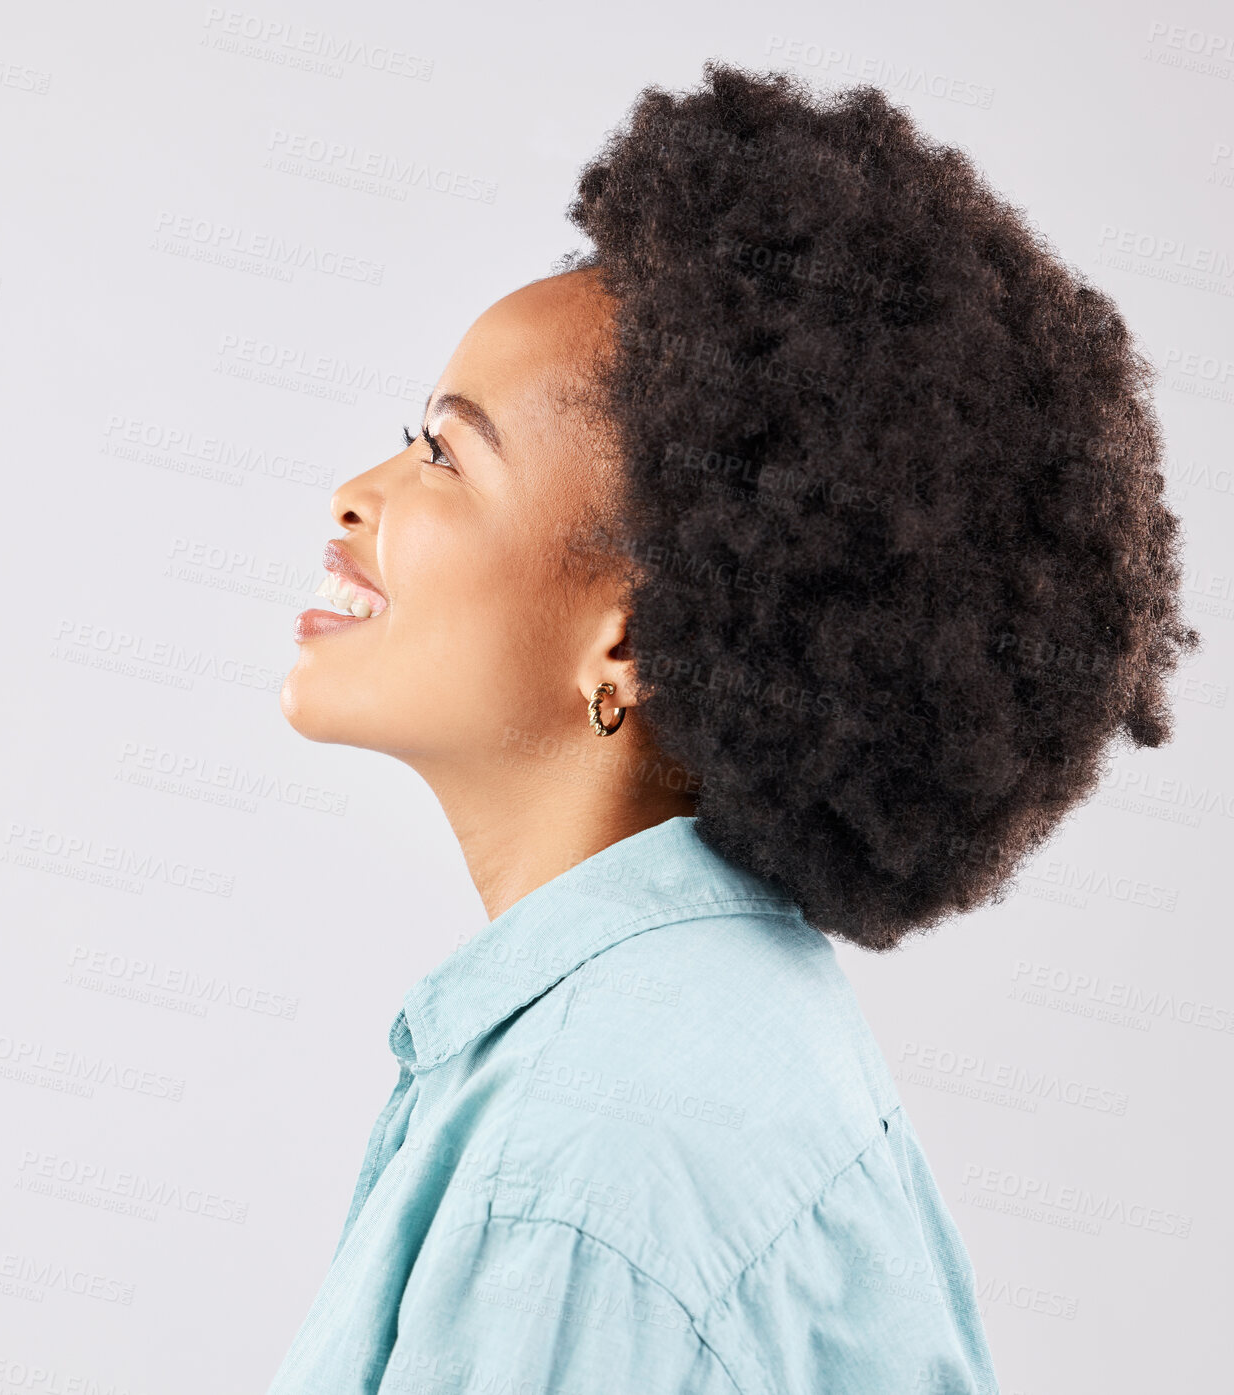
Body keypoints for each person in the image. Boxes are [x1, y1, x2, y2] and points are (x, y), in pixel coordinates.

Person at [268, 60, 1197, 1395]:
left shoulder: (584, 1165)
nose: (356, 497)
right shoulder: (714, 1034)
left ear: (630, 641)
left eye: (445, 456)